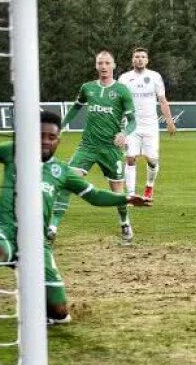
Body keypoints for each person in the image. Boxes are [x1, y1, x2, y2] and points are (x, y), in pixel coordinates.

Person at [0, 110, 150, 323]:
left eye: (51, 137)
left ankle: (35, 299)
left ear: (58, 141)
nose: (45, 141)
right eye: (40, 136)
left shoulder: (61, 172)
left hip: (37, 241)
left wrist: (127, 199)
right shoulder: (13, 152)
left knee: (60, 313)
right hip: (5, 228)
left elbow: (94, 196)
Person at [49, 50, 138, 243]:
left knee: (117, 192)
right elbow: (76, 108)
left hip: (111, 150)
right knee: (67, 182)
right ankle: (53, 227)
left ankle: (125, 223)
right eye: (100, 63)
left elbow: (133, 121)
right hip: (87, 147)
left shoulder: (122, 91)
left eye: (107, 63)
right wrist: (60, 126)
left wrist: (124, 133)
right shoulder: (87, 88)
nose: (104, 67)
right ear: (96, 66)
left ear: (113, 66)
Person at [118, 47, 176, 200]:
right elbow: (119, 103)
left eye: (143, 57)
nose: (139, 59)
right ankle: (130, 194)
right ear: (132, 60)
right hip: (131, 125)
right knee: (130, 157)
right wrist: (118, 127)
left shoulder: (155, 77)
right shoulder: (124, 78)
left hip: (150, 125)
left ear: (147, 60)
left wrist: (170, 121)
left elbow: (162, 100)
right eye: (137, 56)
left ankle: (149, 185)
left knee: (152, 160)